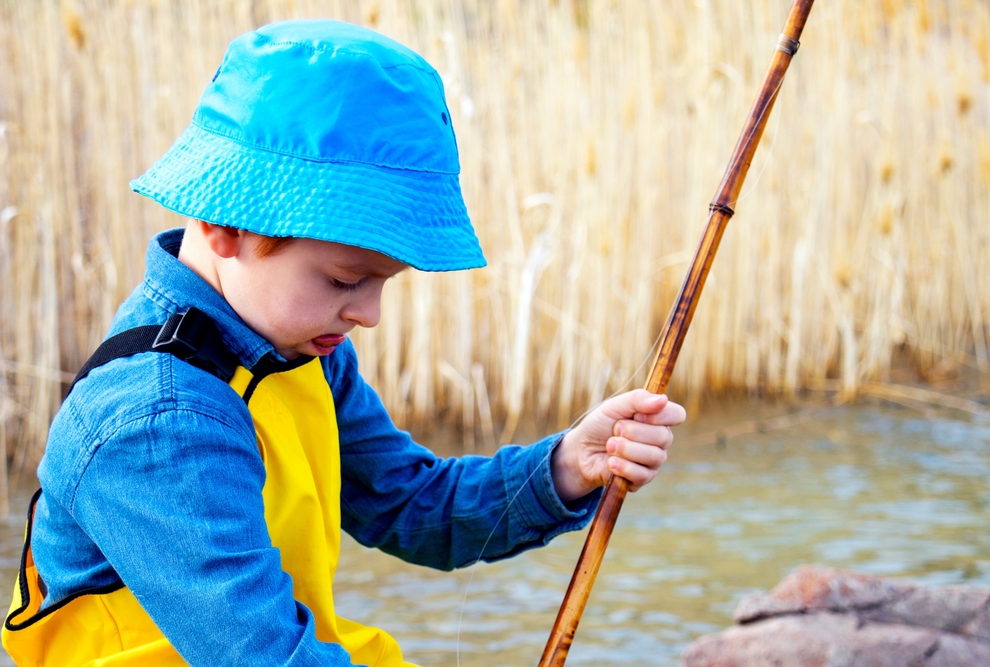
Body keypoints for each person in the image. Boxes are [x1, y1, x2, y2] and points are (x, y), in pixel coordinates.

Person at [2, 19, 685, 667]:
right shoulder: (156, 421)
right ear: (225, 227)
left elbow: (412, 506)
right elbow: (263, 653)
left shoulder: (300, 347)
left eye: (383, 282)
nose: (369, 313)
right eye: (343, 279)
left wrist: (566, 465)